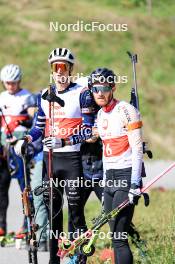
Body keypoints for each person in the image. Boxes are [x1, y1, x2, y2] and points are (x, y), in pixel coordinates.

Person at [14, 48, 96, 264]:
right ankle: (54, 261)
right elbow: (38, 128)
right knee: (54, 216)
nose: (60, 72)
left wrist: (65, 141)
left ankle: (79, 258)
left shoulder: (82, 93)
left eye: (64, 67)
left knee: (76, 214)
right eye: (55, 67)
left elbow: (89, 130)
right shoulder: (45, 94)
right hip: (51, 161)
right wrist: (26, 140)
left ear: (71, 69)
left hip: (73, 161)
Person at [88, 68, 143, 264]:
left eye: (104, 88)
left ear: (112, 87)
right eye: (95, 89)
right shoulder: (101, 114)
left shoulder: (126, 110)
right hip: (109, 178)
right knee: (115, 237)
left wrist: (135, 184)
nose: (100, 93)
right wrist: (103, 188)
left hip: (126, 176)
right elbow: (105, 152)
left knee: (119, 238)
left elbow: (137, 150)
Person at [0, 64, 32, 236]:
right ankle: (1, 225)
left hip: (20, 148)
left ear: (19, 81)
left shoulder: (27, 97)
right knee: (1, 187)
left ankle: (26, 225)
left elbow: (32, 121)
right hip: (3, 147)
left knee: (24, 187)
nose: (10, 86)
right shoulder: (1, 97)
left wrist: (19, 121)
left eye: (14, 83)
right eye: (7, 83)